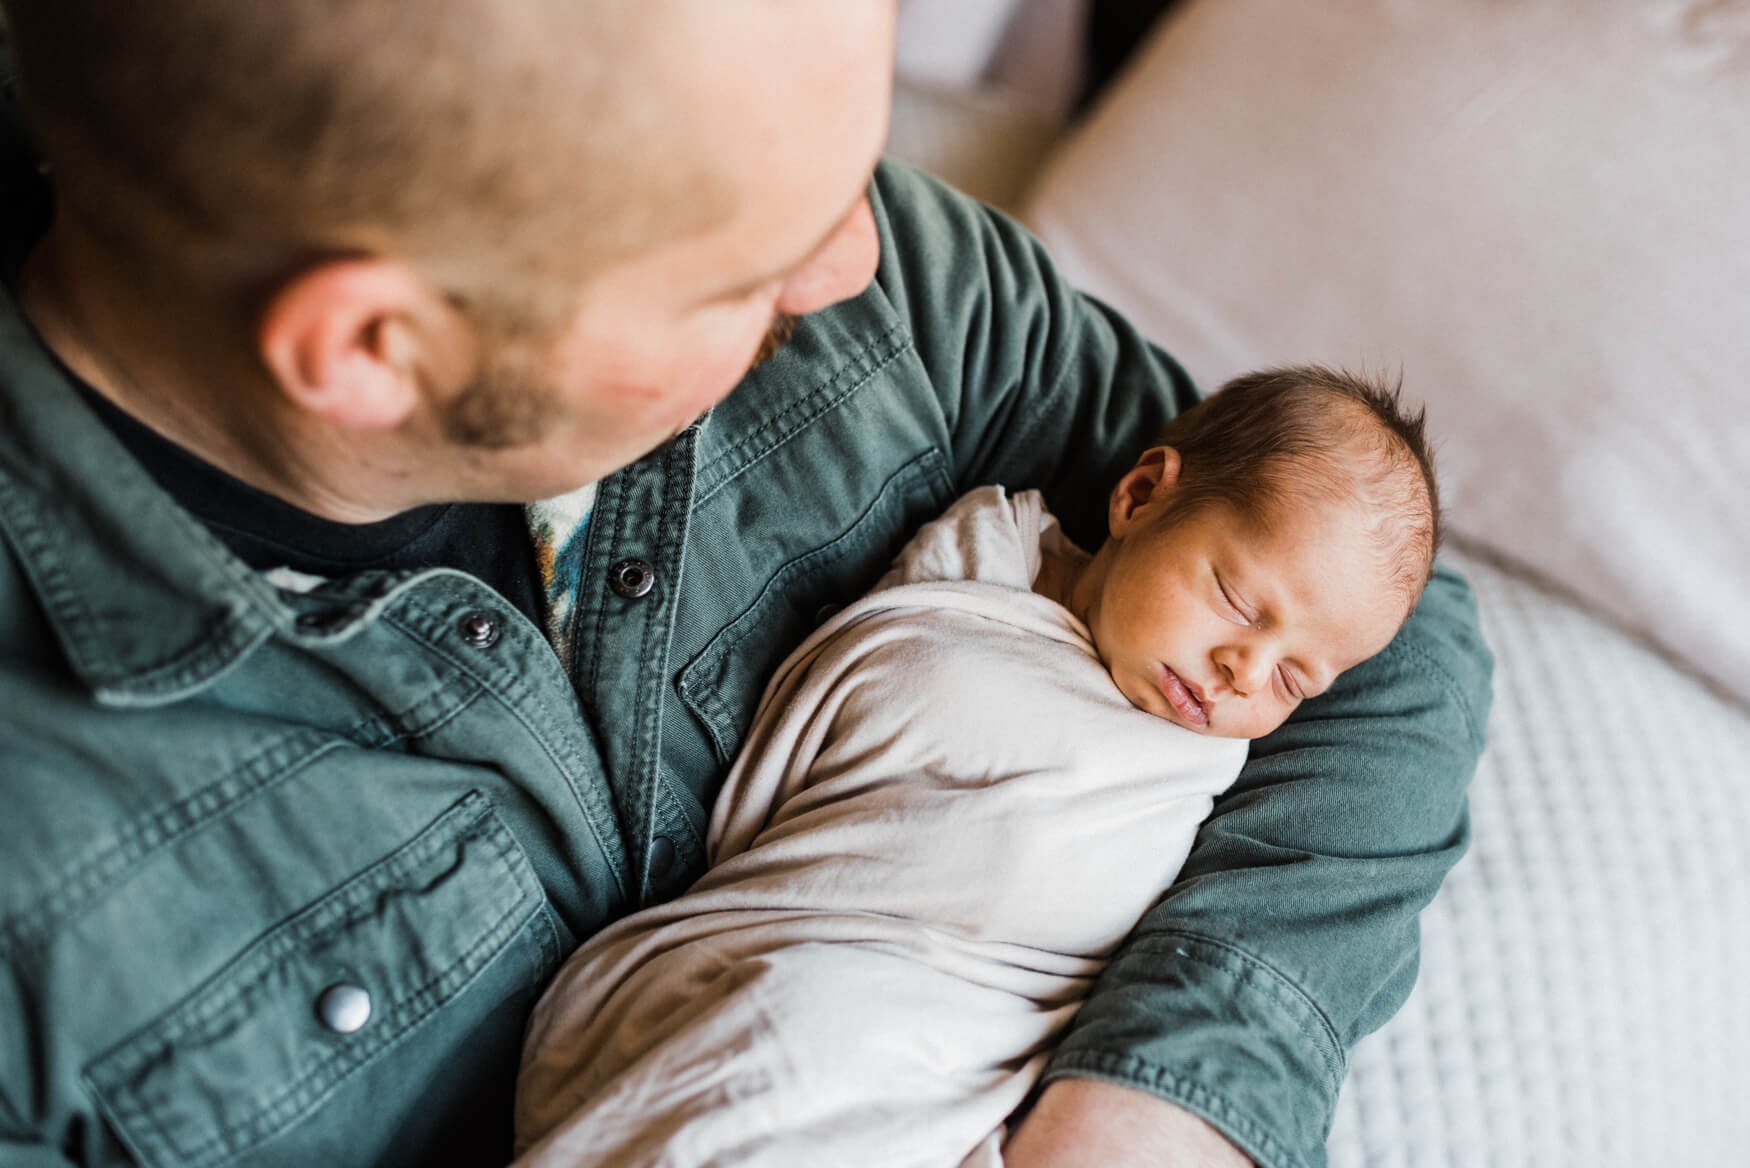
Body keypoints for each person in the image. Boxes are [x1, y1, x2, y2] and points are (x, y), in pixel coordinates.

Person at [0, 3, 1491, 1166]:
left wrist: (1168, 1101)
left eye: (861, 162)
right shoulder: (44, 892)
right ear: (381, 351)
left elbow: (1392, 610)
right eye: (742, 272)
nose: (852, 264)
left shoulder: (880, 271)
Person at [513, 367, 1443, 1167]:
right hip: (813, 961)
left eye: (1296, 676)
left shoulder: (1192, 758)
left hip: (973, 1025)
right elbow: (847, 720)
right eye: (1239, 600)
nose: (1244, 670)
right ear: (1143, 497)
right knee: (799, 1032)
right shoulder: (976, 571)